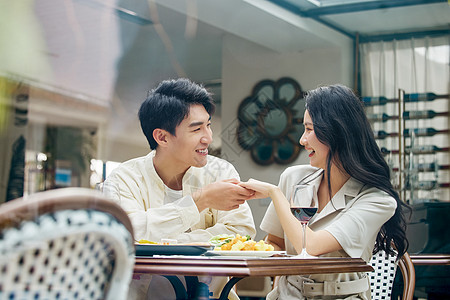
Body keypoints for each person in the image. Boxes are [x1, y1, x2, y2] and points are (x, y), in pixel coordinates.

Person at [240, 84, 409, 300]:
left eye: (309, 129)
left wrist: (274, 193)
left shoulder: (377, 200)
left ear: (337, 132)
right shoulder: (293, 178)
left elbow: (312, 246)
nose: (302, 140)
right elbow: (275, 243)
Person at [103, 78, 256, 300]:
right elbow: (124, 236)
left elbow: (241, 233)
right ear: (162, 137)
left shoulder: (221, 171)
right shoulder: (124, 179)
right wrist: (199, 201)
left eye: (208, 125)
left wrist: (169, 243)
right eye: (196, 129)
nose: (208, 138)